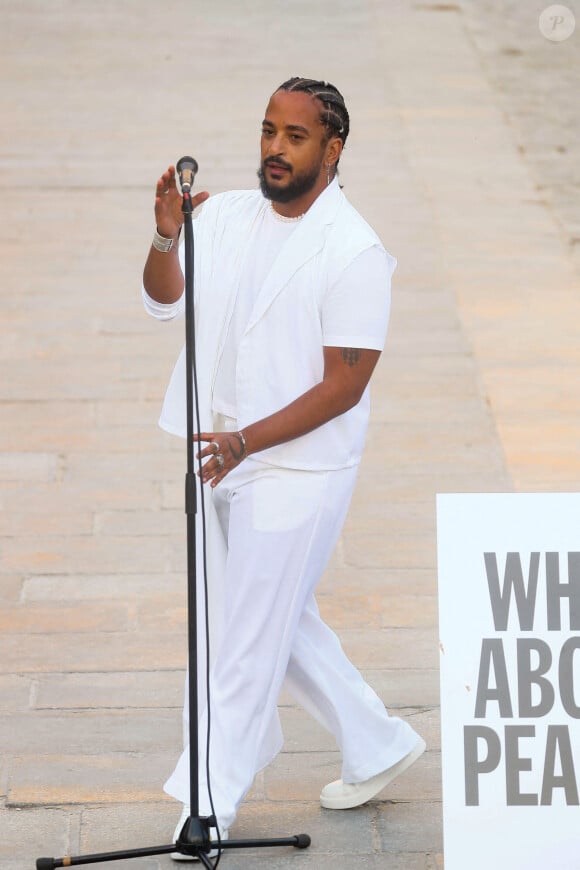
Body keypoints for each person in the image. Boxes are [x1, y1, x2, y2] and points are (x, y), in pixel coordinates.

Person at [142, 76, 425, 859]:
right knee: (272, 616)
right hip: (219, 454)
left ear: (331, 151)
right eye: (269, 130)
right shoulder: (228, 214)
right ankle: (375, 742)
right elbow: (164, 300)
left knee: (245, 638)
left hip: (298, 469)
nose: (274, 147)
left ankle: (208, 807)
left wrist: (248, 441)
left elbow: (346, 383)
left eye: (295, 137)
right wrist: (167, 236)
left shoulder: (355, 250)